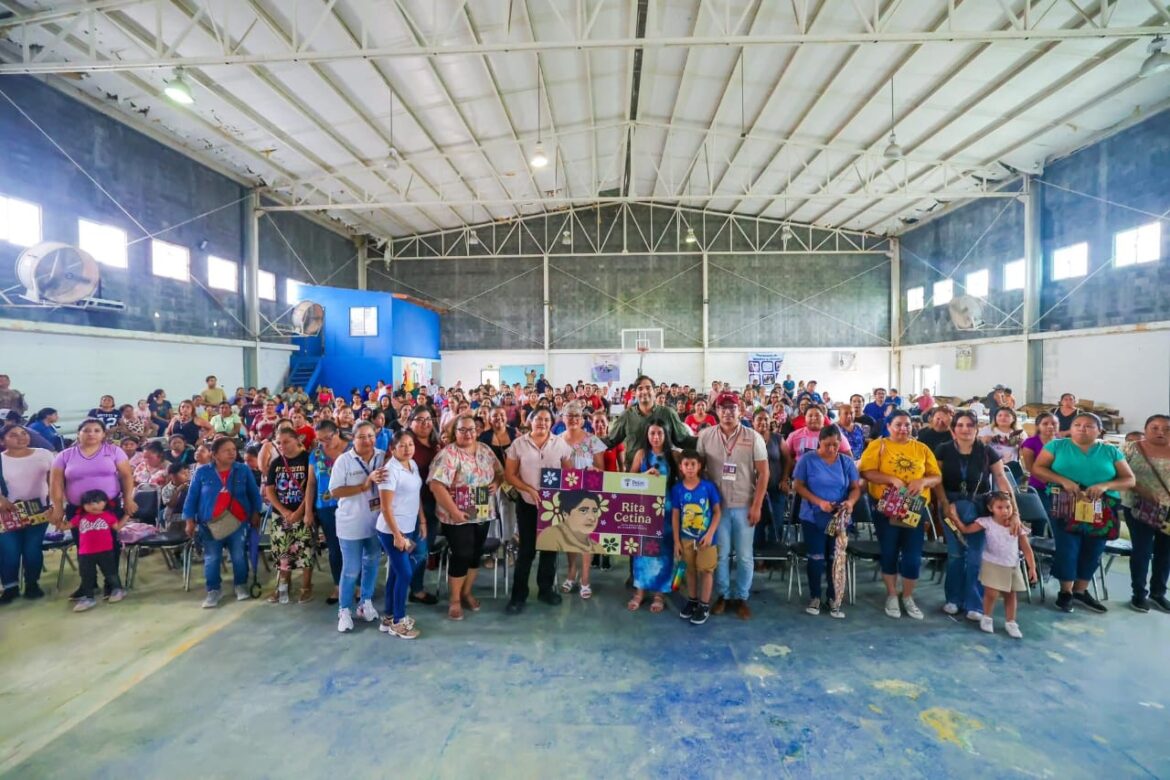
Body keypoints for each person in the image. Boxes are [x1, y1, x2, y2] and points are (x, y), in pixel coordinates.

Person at [1030, 412, 1135, 614]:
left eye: (1088, 425)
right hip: (1065, 504)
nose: (1082, 429)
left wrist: (1105, 485)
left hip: (1100, 507)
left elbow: (1129, 479)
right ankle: (1066, 592)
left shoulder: (1110, 451)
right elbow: (1038, 468)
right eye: (1077, 424)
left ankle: (1081, 590)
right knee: (1068, 546)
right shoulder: (1057, 446)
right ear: (1071, 428)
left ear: (1099, 430)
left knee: (1094, 547)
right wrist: (1063, 481)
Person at [931, 410, 1016, 620]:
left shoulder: (987, 451)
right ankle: (953, 599)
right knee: (956, 555)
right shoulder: (943, 450)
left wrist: (1014, 511)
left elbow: (1001, 478)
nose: (965, 429)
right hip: (951, 507)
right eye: (960, 425)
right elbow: (936, 479)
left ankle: (974, 604)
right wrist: (944, 504)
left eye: (969, 425)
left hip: (979, 507)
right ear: (953, 429)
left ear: (977, 429)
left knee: (976, 556)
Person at [858, 410, 941, 620]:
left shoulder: (921, 448)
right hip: (887, 506)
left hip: (914, 508)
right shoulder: (878, 445)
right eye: (898, 425)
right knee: (890, 551)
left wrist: (923, 481)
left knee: (913, 555)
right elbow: (866, 472)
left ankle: (908, 596)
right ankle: (892, 595)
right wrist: (890, 479)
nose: (903, 428)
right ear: (888, 426)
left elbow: (936, 476)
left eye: (907, 425)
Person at [698, 392, 769, 620]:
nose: (728, 412)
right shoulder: (705, 436)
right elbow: (698, 469)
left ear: (741, 410)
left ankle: (741, 597)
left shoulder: (753, 437)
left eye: (732, 408)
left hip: (744, 506)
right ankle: (724, 595)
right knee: (721, 555)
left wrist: (757, 506)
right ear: (716, 411)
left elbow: (764, 473)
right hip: (717, 508)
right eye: (723, 408)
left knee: (745, 556)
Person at [50, 419, 137, 600]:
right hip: (78, 510)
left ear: (104, 434)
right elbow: (56, 483)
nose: (91, 434)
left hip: (109, 508)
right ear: (78, 433)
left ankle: (112, 583)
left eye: (97, 430)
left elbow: (127, 476)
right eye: (86, 430)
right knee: (83, 547)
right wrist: (57, 507)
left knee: (111, 546)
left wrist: (128, 499)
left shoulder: (114, 451)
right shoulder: (64, 455)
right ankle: (88, 584)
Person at [428, 414, 504, 620]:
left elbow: (500, 472)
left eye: (471, 429)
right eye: (462, 430)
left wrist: (496, 483)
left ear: (477, 431)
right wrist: (454, 512)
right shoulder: (448, 454)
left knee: (475, 554)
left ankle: (466, 592)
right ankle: (454, 600)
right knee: (461, 555)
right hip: (456, 514)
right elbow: (436, 485)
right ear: (455, 432)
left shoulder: (485, 450)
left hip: (482, 511)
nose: (468, 433)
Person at [503, 407, 574, 614]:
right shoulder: (518, 444)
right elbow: (509, 475)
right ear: (530, 421)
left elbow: (569, 473)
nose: (542, 422)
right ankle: (518, 596)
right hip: (527, 504)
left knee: (550, 549)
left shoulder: (560, 444)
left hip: (553, 506)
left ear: (552, 423)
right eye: (538, 419)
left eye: (546, 419)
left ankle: (546, 590)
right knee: (527, 550)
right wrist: (528, 489)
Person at [182, 437, 262, 608]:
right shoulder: (202, 472)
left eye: (234, 450)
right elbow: (192, 497)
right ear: (215, 454)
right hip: (210, 524)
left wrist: (256, 512)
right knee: (212, 557)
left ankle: (240, 585)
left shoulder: (243, 470)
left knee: (239, 555)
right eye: (227, 450)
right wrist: (189, 521)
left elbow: (254, 493)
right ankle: (213, 590)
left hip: (238, 522)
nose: (232, 453)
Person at [794, 426, 862, 619]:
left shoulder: (846, 462)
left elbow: (855, 488)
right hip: (812, 515)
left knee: (836, 558)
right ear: (819, 442)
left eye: (835, 445)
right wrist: (819, 502)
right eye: (827, 445)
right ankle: (815, 596)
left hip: (839, 517)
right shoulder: (808, 460)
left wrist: (850, 502)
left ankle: (833, 597)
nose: (832, 449)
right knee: (816, 557)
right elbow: (797, 485)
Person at [951, 492, 1037, 638]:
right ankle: (987, 617)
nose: (1005, 511)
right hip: (992, 563)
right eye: (1000, 507)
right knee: (991, 594)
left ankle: (1011, 622)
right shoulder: (986, 522)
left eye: (1008, 507)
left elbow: (1026, 549)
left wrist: (1032, 567)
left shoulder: (1017, 526)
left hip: (1011, 564)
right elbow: (966, 530)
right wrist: (954, 518)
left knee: (1011, 595)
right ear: (991, 509)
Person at [329, 421, 386, 632]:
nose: (367, 440)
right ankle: (344, 610)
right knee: (351, 569)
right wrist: (364, 485)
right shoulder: (344, 460)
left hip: (375, 523)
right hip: (350, 523)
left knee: (371, 563)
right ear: (353, 439)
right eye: (361, 436)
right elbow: (335, 491)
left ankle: (365, 603)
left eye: (371, 436)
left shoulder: (382, 456)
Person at [375, 431, 425, 639]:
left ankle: (389, 616)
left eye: (410, 444)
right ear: (392, 449)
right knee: (405, 573)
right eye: (402, 445)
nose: (407, 449)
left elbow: (415, 495)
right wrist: (397, 535)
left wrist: (422, 520)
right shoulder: (389, 471)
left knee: (396, 573)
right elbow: (385, 508)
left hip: (408, 526)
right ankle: (398, 621)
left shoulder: (411, 465)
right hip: (391, 530)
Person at [628, 420, 681, 615]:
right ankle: (640, 591)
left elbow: (684, 481)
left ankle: (660, 593)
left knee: (664, 552)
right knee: (641, 551)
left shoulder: (673, 455)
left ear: (666, 435)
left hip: (667, 510)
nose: (656, 437)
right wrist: (645, 476)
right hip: (645, 510)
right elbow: (628, 479)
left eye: (660, 433)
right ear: (647, 435)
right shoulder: (641, 454)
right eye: (652, 433)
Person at [0, 423, 55, 602]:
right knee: (9, 550)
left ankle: (32, 583)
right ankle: (10, 587)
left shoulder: (43, 454)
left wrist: (54, 504)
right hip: (7, 512)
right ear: (2, 441)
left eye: (23, 433)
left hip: (37, 510)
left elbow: (55, 481)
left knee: (32, 549)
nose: (21, 437)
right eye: (13, 435)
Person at [1122, 415, 1170, 613]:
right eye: (1155, 427)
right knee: (1142, 550)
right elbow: (1118, 473)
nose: (1160, 432)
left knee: (1165, 553)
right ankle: (1139, 594)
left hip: (1168, 511)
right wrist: (1141, 489)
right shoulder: (1130, 449)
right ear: (1145, 429)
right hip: (1138, 507)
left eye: (1166, 429)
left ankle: (1158, 593)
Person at [558, 401, 606, 598]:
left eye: (577, 416)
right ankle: (571, 572)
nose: (573, 419)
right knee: (569, 534)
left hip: (588, 495)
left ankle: (585, 578)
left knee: (586, 535)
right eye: (569, 415)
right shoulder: (556, 440)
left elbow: (601, 469)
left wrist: (594, 470)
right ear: (563, 418)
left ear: (582, 419)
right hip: (566, 495)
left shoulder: (593, 440)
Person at [672, 450, 722, 625]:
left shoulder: (708, 487)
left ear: (699, 466)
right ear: (681, 467)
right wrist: (676, 541)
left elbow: (717, 512)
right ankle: (692, 600)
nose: (690, 468)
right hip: (686, 539)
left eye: (693, 464)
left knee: (706, 571)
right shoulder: (677, 489)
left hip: (706, 540)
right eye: (686, 464)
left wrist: (710, 534)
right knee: (690, 570)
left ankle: (704, 605)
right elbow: (675, 516)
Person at [264, 428, 314, 604]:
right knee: (282, 552)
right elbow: (270, 489)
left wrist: (300, 512)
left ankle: (306, 587)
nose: (282, 446)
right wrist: (284, 511)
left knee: (305, 551)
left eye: (286, 441)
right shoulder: (276, 463)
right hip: (281, 516)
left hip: (303, 513)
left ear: (297, 440)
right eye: (279, 442)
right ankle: (283, 586)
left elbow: (311, 487)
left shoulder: (308, 459)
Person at [606, 375, 696, 470]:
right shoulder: (627, 416)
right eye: (640, 388)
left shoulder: (668, 414)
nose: (644, 391)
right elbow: (611, 440)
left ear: (654, 391)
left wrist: (703, 441)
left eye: (648, 388)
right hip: (635, 473)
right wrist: (593, 443)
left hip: (663, 472)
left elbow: (683, 439)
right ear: (635, 393)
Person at [305, 419, 346, 605]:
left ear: (337, 432)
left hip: (351, 505)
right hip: (326, 507)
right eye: (319, 440)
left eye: (327, 438)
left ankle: (358, 585)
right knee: (334, 548)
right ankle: (338, 585)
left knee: (354, 546)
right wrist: (308, 511)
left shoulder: (352, 450)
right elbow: (311, 484)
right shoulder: (316, 454)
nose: (324, 443)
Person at [406, 407, 441, 606]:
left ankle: (415, 587)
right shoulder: (407, 444)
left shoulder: (437, 444)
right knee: (416, 549)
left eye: (428, 419)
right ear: (410, 422)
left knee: (423, 549)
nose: (425, 423)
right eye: (419, 419)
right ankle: (408, 587)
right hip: (412, 505)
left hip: (433, 502)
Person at [68, 489, 126, 612]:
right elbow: (64, 526)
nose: (93, 505)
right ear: (83, 505)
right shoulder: (80, 517)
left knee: (110, 573)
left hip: (106, 551)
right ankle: (88, 597)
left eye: (97, 502)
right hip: (85, 553)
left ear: (105, 502)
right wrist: (52, 518)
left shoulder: (108, 516)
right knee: (86, 575)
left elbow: (117, 527)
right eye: (88, 503)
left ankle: (117, 589)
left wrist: (127, 515)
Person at [1020, 412, 1059, 534]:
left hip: (1060, 487)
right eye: (1045, 424)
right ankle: (1039, 540)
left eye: (1054, 423)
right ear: (1038, 426)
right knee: (1042, 517)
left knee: (1059, 518)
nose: (1050, 426)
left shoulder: (1063, 443)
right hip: (1039, 486)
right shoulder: (1030, 442)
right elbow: (1030, 468)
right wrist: (1049, 481)